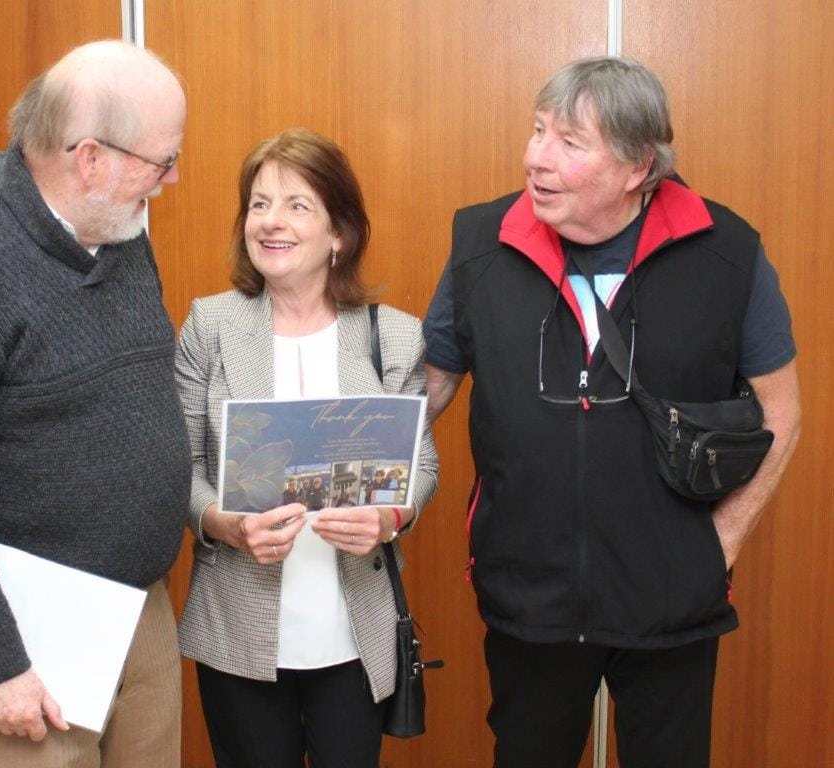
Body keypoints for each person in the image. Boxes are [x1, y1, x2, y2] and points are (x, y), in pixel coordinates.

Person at [424, 57, 800, 768]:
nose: (536, 158)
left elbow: (782, 413)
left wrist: (718, 546)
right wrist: (356, 476)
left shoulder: (727, 253)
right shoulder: (482, 243)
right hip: (529, 592)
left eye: (569, 142)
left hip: (672, 595)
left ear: (638, 166)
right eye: (538, 130)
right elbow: (429, 391)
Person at [0, 41, 190, 768]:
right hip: (35, 638)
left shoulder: (116, 223)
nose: (172, 178)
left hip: (142, 607)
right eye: (163, 160)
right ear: (90, 159)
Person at [175, 128, 438, 768]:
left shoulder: (393, 336)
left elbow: (422, 463)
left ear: (338, 233)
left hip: (353, 631)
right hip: (238, 625)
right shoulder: (210, 326)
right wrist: (223, 523)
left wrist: (390, 517)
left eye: (297, 206)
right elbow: (180, 466)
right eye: (259, 204)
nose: (272, 222)